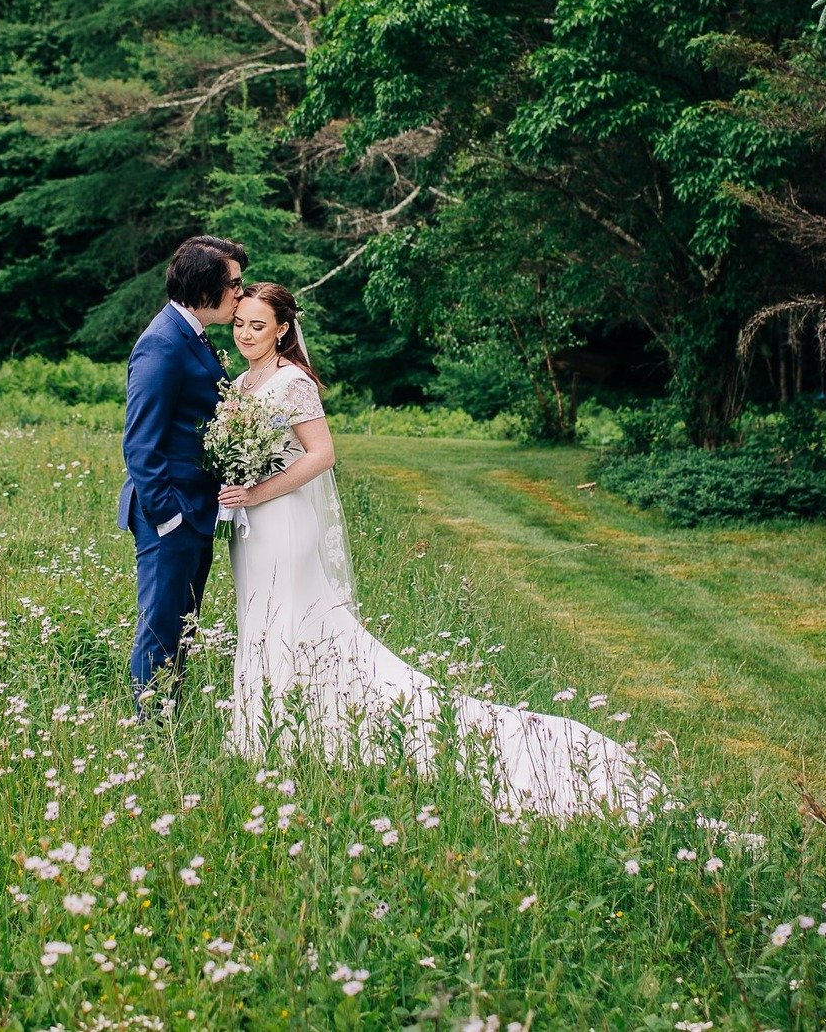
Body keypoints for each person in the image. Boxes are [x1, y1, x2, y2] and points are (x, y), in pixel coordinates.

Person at [216, 282, 656, 821]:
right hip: (251, 526)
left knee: (293, 620)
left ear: (282, 329)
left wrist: (259, 490)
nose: (245, 334)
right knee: (260, 620)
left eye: (257, 325)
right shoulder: (240, 382)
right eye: (239, 323)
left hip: (284, 521)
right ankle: (264, 728)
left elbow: (323, 454)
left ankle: (290, 737)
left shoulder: (292, 381)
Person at [120, 235, 247, 715]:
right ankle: (151, 729)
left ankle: (167, 715)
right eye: (234, 284)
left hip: (197, 508)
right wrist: (169, 516)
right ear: (205, 284)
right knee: (161, 625)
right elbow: (140, 443)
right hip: (169, 513)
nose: (240, 292)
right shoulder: (161, 343)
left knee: (183, 624)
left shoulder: (192, 334)